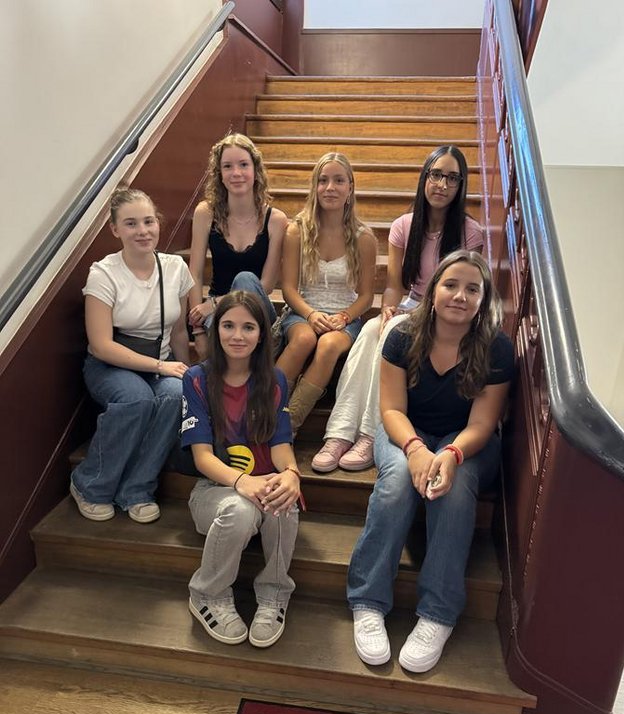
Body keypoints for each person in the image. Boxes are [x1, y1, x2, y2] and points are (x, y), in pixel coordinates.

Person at [347, 251, 514, 673]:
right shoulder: (402, 336)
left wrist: (451, 454)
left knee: (453, 490)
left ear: (483, 300)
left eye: (472, 289)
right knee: (396, 483)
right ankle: (368, 601)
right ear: (433, 290)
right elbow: (391, 410)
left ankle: (438, 613)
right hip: (408, 431)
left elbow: (482, 423)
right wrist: (416, 450)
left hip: (467, 441)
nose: (460, 296)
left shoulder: (496, 347)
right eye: (451, 285)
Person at [312, 145, 484, 473]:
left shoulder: (470, 233)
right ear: (424, 178)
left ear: (461, 185)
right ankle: (339, 433)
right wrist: (389, 308)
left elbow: (466, 289)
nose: (442, 184)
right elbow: (394, 285)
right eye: (436, 175)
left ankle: (369, 434)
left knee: (392, 330)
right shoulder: (404, 225)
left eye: (452, 178)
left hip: (445, 314)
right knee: (370, 329)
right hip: (410, 305)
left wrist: (402, 317)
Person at [182, 291, 301, 648]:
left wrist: (291, 473)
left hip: (262, 483)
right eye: (228, 325)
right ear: (215, 329)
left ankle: (274, 593)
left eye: (248, 327)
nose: (237, 335)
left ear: (262, 334)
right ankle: (208, 593)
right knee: (240, 509)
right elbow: (202, 457)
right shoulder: (197, 378)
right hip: (214, 489)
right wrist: (242, 482)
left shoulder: (275, 379)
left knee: (283, 502)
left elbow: (280, 444)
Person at [70, 186, 193, 523]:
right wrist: (160, 366)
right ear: (115, 230)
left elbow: (179, 332)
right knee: (137, 398)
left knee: (176, 394)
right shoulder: (103, 273)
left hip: (160, 362)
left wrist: (188, 373)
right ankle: (90, 485)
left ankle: (137, 489)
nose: (143, 231)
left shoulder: (175, 268)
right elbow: (101, 345)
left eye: (148, 221)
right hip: (110, 366)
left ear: (158, 223)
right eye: (131, 223)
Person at [275, 152, 376, 433]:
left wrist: (343, 317)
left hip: (344, 318)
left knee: (329, 345)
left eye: (339, 181)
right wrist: (310, 314)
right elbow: (288, 289)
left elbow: (366, 297)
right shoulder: (297, 231)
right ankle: (263, 412)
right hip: (303, 311)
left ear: (350, 188)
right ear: (315, 187)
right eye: (323, 181)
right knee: (304, 339)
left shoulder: (364, 238)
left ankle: (287, 426)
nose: (330, 188)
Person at [187, 133, 288, 359]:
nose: (236, 173)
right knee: (226, 329)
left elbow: (266, 285)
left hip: (257, 309)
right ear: (219, 175)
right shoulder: (206, 213)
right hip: (218, 314)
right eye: (227, 166)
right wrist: (198, 330)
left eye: (243, 164)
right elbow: (194, 273)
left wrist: (214, 304)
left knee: (246, 278)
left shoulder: (276, 220)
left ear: (256, 170)